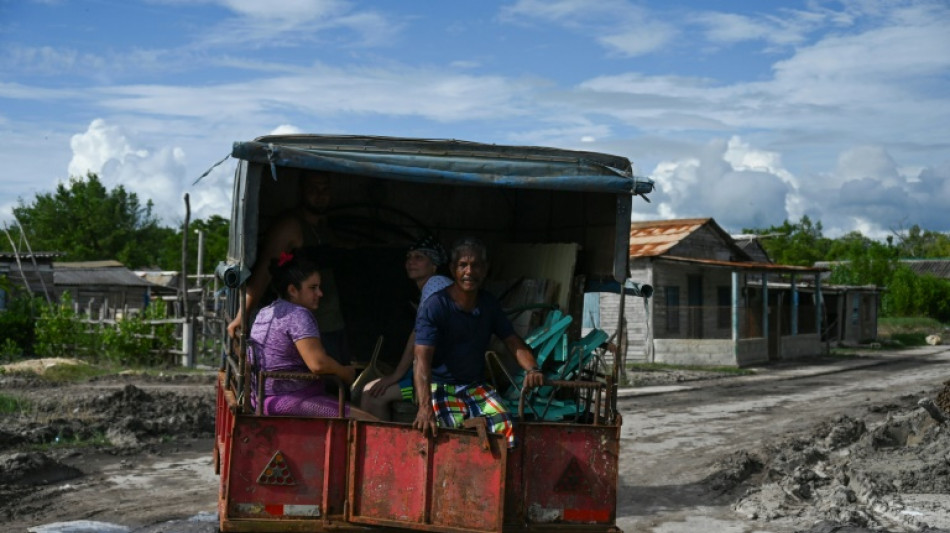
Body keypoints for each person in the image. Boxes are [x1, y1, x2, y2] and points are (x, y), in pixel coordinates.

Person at [412, 237, 544, 447]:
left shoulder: (489, 304)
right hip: (441, 385)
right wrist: (425, 406)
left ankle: (501, 469)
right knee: (450, 433)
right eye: (463, 265)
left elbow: (512, 341)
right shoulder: (436, 305)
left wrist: (533, 369)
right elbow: (421, 360)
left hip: (475, 386)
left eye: (475, 265)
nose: (469, 272)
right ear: (453, 269)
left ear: (485, 270)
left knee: (506, 425)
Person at [227, 173, 350, 365]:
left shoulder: (323, 226)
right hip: (305, 327)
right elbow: (265, 271)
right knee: (318, 375)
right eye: (313, 189)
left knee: (338, 377)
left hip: (332, 320)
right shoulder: (290, 227)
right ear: (301, 191)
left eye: (324, 189)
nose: (319, 195)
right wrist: (242, 315)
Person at [248, 249, 374, 420]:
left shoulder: (265, 312)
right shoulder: (298, 314)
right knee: (372, 422)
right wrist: (345, 373)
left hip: (263, 398)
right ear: (293, 290)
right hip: (291, 400)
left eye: (319, 287)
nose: (320, 293)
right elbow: (318, 364)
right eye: (313, 288)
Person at [361, 235, 453, 420]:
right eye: (409, 257)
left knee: (371, 394)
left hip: (441, 377)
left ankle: (381, 439)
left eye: (419, 257)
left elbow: (419, 334)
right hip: (435, 369)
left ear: (434, 265)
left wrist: (396, 375)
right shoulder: (437, 286)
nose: (411, 262)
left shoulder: (436, 284)